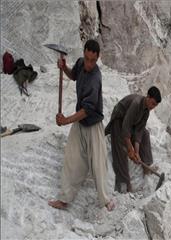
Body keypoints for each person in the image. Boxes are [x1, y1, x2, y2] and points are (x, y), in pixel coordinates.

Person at [48, 39, 115, 211]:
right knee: (71, 159)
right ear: (84, 53)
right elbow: (74, 75)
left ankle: (106, 200)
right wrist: (64, 68)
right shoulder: (80, 63)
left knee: (99, 164)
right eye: (86, 58)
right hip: (80, 123)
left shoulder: (95, 78)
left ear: (98, 58)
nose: (89, 64)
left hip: (93, 124)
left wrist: (65, 120)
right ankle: (64, 199)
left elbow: (87, 110)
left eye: (93, 60)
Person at [105, 87, 161, 193]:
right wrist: (130, 149)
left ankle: (147, 167)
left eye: (155, 105)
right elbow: (125, 127)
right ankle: (124, 183)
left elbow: (139, 131)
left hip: (131, 125)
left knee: (145, 134)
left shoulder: (146, 111)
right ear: (148, 97)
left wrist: (136, 152)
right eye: (152, 103)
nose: (153, 107)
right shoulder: (136, 103)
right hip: (118, 121)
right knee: (121, 149)